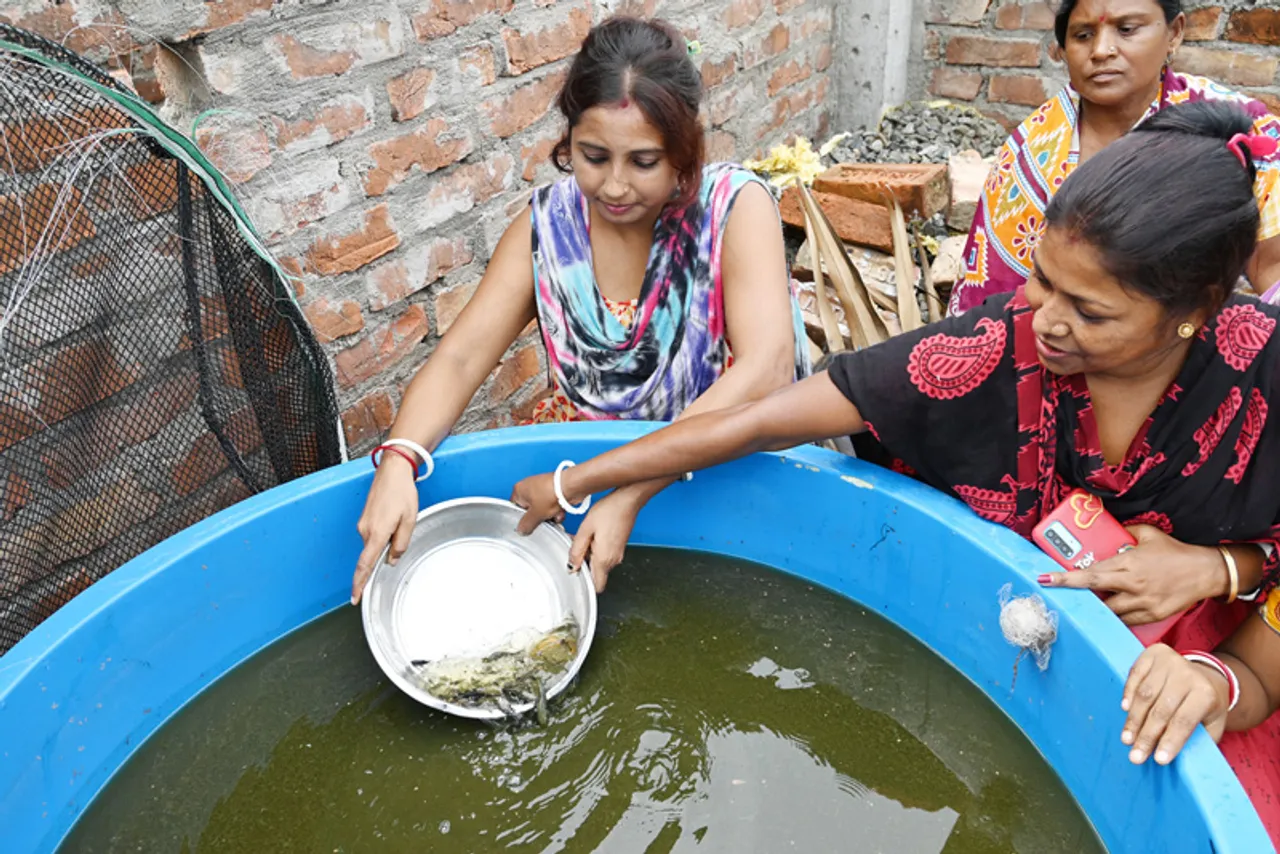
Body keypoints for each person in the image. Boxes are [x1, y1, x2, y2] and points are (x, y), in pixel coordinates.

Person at [511, 101, 1280, 841]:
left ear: (1197, 307)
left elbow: (1255, 656)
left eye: (1092, 311)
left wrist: (1222, 616)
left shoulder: (1267, 375)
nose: (1045, 318)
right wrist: (588, 482)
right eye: (1043, 279)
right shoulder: (996, 349)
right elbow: (764, 419)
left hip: (1213, 674)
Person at [349, 16, 809, 602]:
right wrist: (399, 462)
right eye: (594, 156)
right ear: (568, 143)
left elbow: (765, 370)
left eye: (643, 162)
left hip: (733, 473)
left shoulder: (731, 210)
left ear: (683, 155)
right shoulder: (548, 229)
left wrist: (631, 490)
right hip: (594, 471)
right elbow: (463, 358)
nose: (615, 186)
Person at [949, 0, 1280, 315]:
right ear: (1062, 48)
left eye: (1127, 29)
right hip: (1050, 345)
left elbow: (1272, 267)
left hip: (1199, 351)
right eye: (1083, 35)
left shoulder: (1238, 130)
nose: (1101, 51)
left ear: (1174, 33)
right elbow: (992, 288)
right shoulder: (1033, 149)